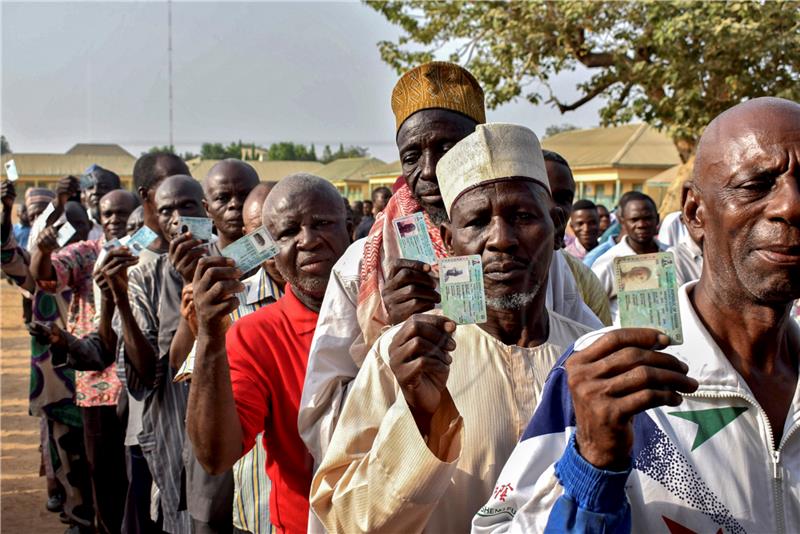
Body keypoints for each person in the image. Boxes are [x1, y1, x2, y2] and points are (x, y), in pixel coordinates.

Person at [473, 96, 800, 534]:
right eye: (756, 185)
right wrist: (591, 466)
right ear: (694, 212)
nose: (791, 206)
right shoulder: (602, 374)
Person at [299, 62, 600, 473]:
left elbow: (577, 355)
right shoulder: (360, 267)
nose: (428, 169)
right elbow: (325, 420)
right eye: (412, 155)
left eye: (445, 149)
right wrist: (394, 350)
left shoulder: (539, 258)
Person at [311, 123, 592, 532]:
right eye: (478, 221)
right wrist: (419, 420)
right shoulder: (404, 356)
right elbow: (344, 518)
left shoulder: (590, 351)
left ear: (554, 226)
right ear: (449, 240)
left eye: (522, 216)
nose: (501, 239)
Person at [186, 174, 352, 534]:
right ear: (269, 248)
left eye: (321, 223)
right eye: (288, 232)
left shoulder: (393, 310)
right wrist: (211, 337)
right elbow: (216, 457)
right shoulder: (255, 334)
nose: (307, 240)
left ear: (349, 228)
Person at [30, 189, 139, 534]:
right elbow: (46, 278)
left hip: (142, 387)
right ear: (99, 218)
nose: (114, 219)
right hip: (98, 386)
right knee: (104, 476)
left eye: (122, 213)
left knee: (141, 478)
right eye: (106, 214)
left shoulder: (149, 255)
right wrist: (43, 250)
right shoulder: (87, 254)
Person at [112, 174, 207, 534]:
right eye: (166, 210)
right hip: (173, 431)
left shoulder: (234, 263)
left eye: (188, 206)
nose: (177, 218)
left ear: (206, 210)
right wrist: (120, 297)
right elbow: (151, 371)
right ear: (155, 215)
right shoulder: (144, 276)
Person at [170, 159, 261, 534]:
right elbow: (176, 368)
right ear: (207, 209)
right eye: (223, 198)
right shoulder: (196, 266)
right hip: (217, 453)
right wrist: (194, 318)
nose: (234, 206)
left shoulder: (283, 268)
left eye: (244, 195)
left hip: (266, 461)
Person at [543, 152, 612, 326]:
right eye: (542, 194)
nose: (554, 208)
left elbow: (605, 345)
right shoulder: (486, 274)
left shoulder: (583, 279)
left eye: (563, 198)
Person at [591, 191, 665, 323]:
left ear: (657, 219)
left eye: (648, 218)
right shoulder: (609, 262)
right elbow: (591, 310)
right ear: (622, 222)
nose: (641, 225)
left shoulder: (674, 256)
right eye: (634, 220)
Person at [82, 166, 122, 241]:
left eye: (104, 186)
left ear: (117, 191)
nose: (95, 191)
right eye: (90, 187)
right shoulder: (75, 222)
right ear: (84, 193)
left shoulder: (130, 224)